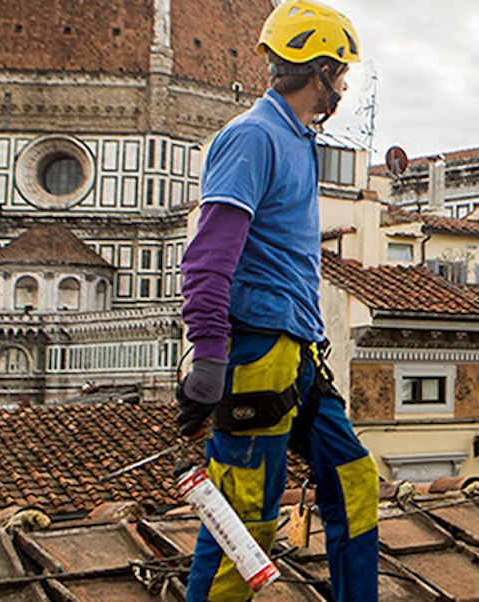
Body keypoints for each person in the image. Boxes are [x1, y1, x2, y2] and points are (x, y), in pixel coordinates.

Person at [176, 2, 378, 601]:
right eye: (340, 72)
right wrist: (210, 359)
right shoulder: (252, 138)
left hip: (295, 352)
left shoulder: (295, 142)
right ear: (319, 72)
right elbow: (208, 259)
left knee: (354, 482)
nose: (344, 84)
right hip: (256, 351)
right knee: (245, 525)